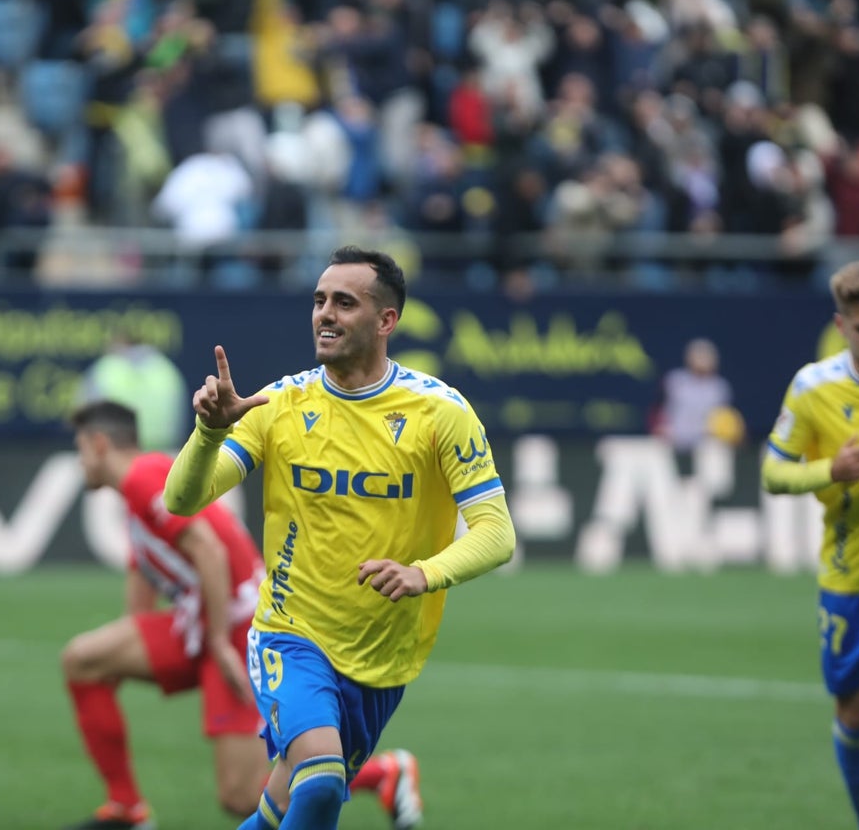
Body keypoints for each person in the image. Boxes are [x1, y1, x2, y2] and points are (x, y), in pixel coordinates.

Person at [163, 246, 517, 830]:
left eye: (344, 303)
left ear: (386, 321)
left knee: (280, 812)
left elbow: (497, 533)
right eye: (319, 300)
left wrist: (423, 572)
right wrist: (207, 431)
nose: (325, 314)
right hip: (290, 635)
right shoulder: (278, 403)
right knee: (322, 784)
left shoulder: (439, 411)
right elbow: (182, 500)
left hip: (383, 658)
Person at [62, 399, 425, 830]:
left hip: (234, 626)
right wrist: (129, 642)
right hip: (200, 622)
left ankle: (382, 774)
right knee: (85, 660)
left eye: (80, 448)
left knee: (241, 794)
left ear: (100, 444)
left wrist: (218, 644)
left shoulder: (143, 477)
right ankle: (127, 809)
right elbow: (145, 569)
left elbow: (209, 550)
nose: (78, 460)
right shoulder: (141, 483)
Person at [762, 260, 859, 830]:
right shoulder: (815, 387)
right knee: (854, 713)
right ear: (842, 325)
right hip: (852, 577)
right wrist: (833, 469)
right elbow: (774, 475)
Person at [77, 330, 189, 453]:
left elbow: (85, 417)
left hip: (118, 454)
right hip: (166, 453)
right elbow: (180, 417)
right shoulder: (167, 370)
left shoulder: (105, 369)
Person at [651, 337, 744, 453]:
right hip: (673, 437)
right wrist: (660, 426)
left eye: (706, 356)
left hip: (706, 440)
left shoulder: (720, 387)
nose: (702, 360)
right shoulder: (674, 379)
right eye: (699, 356)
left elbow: (725, 418)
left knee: (716, 449)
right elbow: (657, 408)